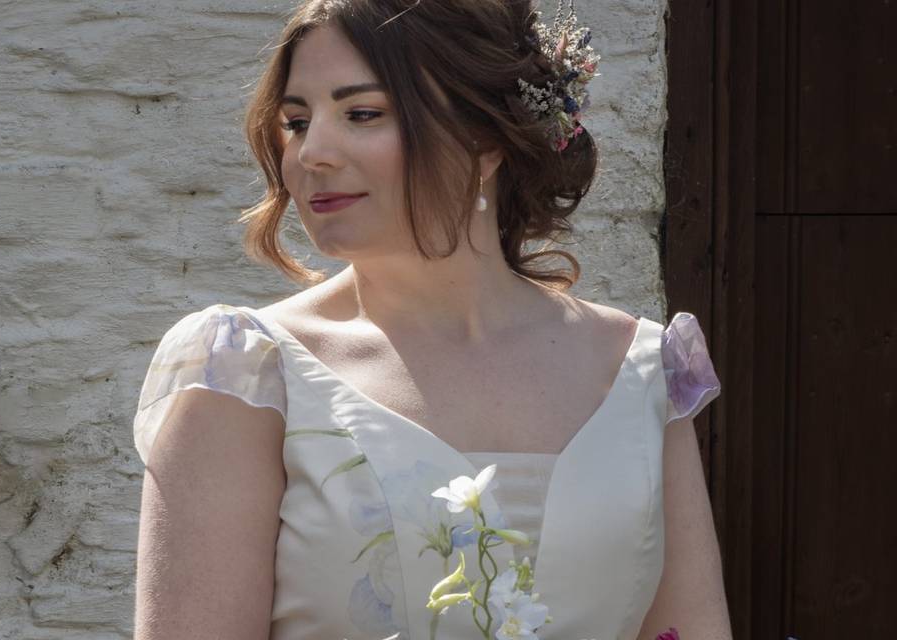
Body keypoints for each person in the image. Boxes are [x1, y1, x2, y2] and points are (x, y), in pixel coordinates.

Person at [131, 1, 732, 639]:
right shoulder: (244, 374)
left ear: (486, 141)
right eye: (296, 121)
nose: (311, 153)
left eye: (362, 113)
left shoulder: (641, 372)